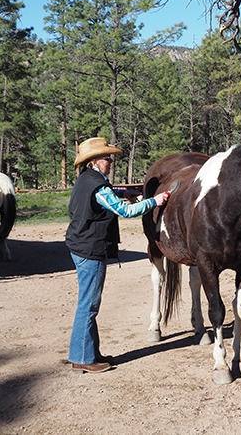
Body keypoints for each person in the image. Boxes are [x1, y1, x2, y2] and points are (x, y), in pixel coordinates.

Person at [65, 137, 178, 373]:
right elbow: (124, 211)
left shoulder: (85, 180)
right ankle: (83, 358)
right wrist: (154, 201)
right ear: (94, 162)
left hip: (80, 246)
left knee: (87, 304)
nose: (110, 162)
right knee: (89, 306)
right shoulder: (99, 186)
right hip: (90, 250)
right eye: (107, 158)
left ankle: (88, 353)